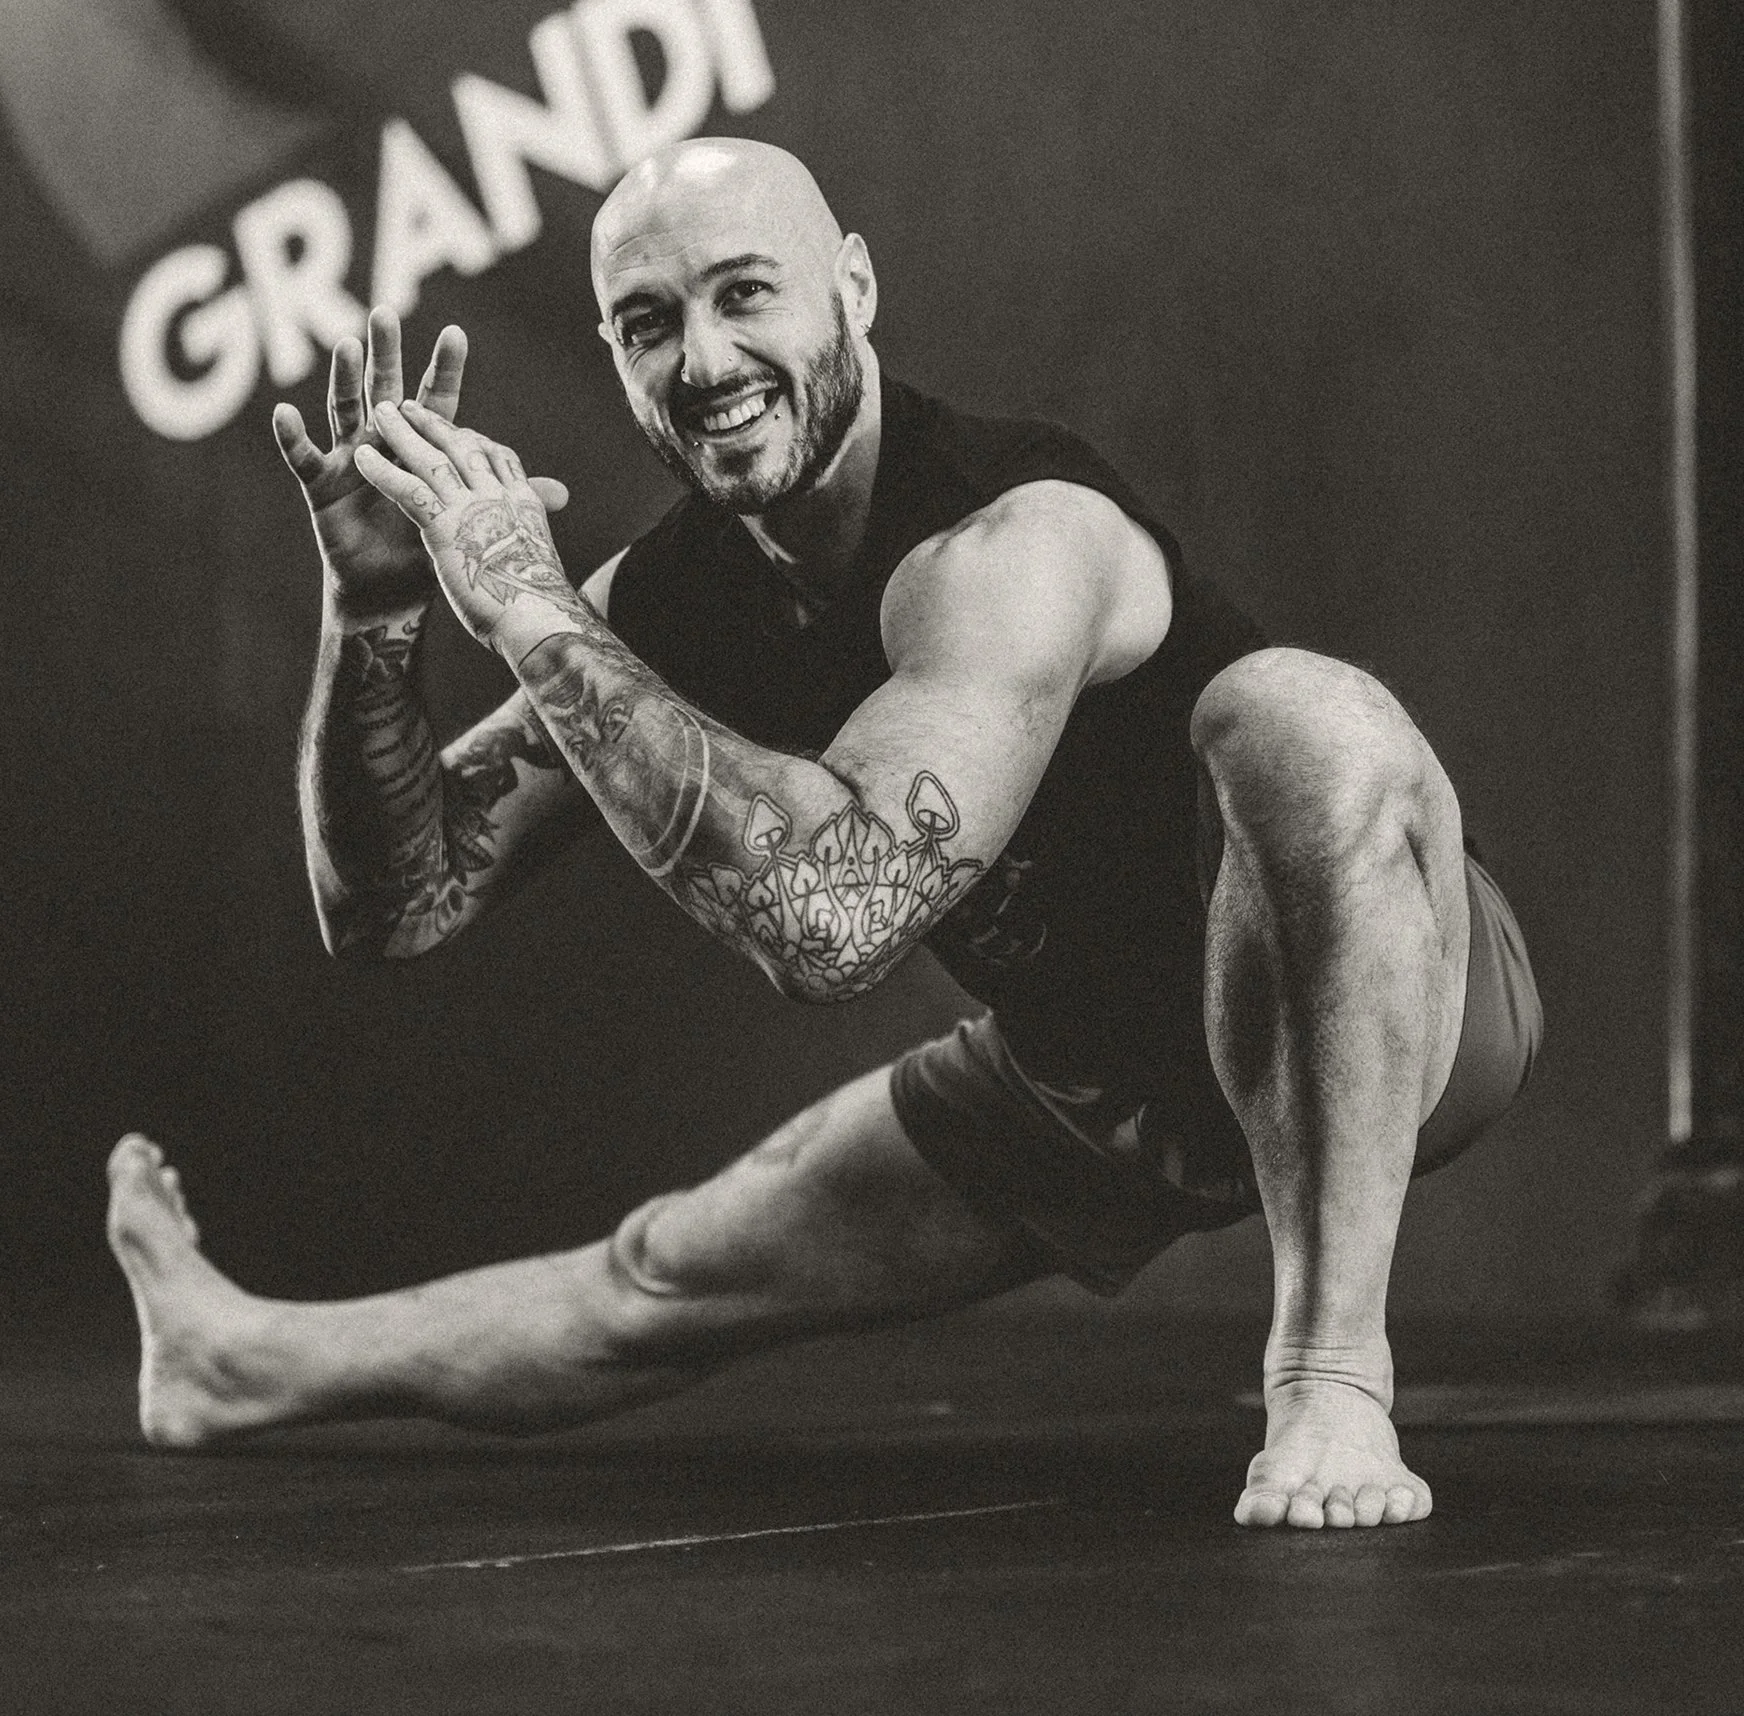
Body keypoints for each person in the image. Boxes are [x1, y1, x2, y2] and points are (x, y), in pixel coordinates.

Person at [107, 138, 1541, 1529]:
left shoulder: (1012, 543)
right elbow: (399, 903)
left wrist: (531, 612)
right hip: (1100, 1081)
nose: (706, 362)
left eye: (746, 293)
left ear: (852, 287)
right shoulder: (662, 601)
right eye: (648, 324)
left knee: (1301, 720)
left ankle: (1334, 1374)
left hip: (1394, 1015)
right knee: (657, 1279)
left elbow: (836, 920)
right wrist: (379, 616)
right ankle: (234, 1364)